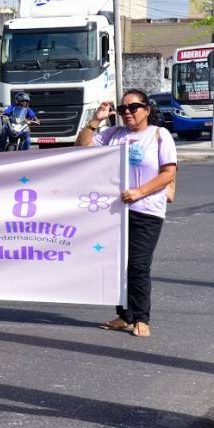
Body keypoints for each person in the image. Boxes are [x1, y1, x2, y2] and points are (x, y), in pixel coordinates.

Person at [75, 89, 177, 337]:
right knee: (117, 265)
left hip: (147, 210)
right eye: (123, 109)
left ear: (147, 110)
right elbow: (82, 146)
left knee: (138, 265)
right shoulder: (114, 134)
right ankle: (125, 316)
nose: (128, 113)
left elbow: (168, 173)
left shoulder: (158, 135)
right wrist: (96, 120)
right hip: (115, 213)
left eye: (134, 107)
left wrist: (139, 192)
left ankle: (142, 318)